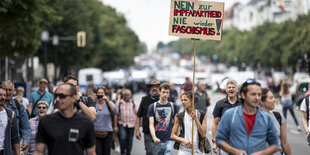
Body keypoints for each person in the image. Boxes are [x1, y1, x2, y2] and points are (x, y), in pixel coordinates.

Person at [216, 79, 279, 154]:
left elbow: (275, 144)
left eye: (259, 95)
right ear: (243, 95)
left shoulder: (266, 118)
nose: (257, 98)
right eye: (253, 94)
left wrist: (262, 153)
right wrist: (235, 151)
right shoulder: (230, 115)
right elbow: (219, 140)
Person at [34, 83, 96, 155]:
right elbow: (39, 151)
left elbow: (91, 153)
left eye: (62, 96)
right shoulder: (46, 121)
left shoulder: (86, 123)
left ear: (73, 98)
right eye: (56, 95)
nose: (57, 99)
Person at [147, 83, 178, 155]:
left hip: (169, 139)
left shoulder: (173, 106)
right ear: (159, 92)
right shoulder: (152, 106)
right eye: (163, 92)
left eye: (167, 92)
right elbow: (151, 124)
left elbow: (176, 123)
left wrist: (176, 136)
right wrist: (154, 137)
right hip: (157, 140)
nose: (165, 94)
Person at [211, 79, 240, 154]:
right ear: (226, 89)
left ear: (237, 89)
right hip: (224, 142)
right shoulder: (220, 104)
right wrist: (214, 142)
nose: (231, 89)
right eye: (229, 87)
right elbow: (215, 124)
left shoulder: (243, 104)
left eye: (233, 87)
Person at [261, 88, 292, 155]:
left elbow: (285, 143)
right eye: (271, 98)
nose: (274, 100)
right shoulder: (252, 118)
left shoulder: (278, 116)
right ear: (262, 102)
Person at [2, 80, 31, 153]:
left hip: (13, 147)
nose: (8, 92)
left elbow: (25, 126)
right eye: (6, 90)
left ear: (14, 90)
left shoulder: (18, 106)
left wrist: (26, 141)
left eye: (10, 90)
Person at [136, 79, 160, 155]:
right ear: (149, 88)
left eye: (156, 86)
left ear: (160, 88)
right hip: (147, 131)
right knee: (149, 151)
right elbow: (138, 115)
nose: (154, 88)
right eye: (152, 86)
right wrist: (137, 130)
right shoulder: (144, 99)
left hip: (161, 132)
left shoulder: (164, 100)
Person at [93, 86, 118, 155]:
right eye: (99, 93)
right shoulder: (93, 104)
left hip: (107, 132)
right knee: (98, 152)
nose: (100, 94)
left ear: (105, 94)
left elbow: (115, 111)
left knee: (106, 152)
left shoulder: (109, 103)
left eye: (102, 93)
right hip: (95, 132)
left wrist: (107, 101)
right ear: (96, 94)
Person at [114, 89, 136, 155]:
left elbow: (136, 114)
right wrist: (115, 126)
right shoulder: (119, 103)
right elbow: (116, 114)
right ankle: (122, 152)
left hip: (131, 124)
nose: (128, 96)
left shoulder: (133, 103)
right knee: (123, 138)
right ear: (123, 96)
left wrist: (137, 125)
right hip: (122, 124)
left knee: (130, 140)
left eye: (129, 95)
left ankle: (128, 153)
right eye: (126, 95)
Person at [0, 85, 20, 155]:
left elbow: (15, 138)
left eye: (4, 95)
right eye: (0, 95)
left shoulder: (10, 114)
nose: (3, 97)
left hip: (5, 151)